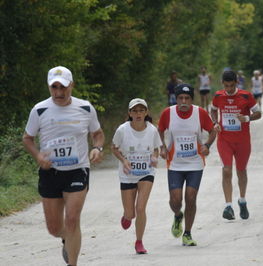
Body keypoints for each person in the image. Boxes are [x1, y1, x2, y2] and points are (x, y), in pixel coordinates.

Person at [22, 66, 105, 266]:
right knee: (54, 227)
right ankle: (66, 237)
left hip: (77, 169)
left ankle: (72, 263)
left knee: (72, 219)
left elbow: (98, 134)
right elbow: (27, 138)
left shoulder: (85, 108)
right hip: (50, 172)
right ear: (49, 87)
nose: (59, 92)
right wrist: (38, 156)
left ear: (72, 86)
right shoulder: (39, 109)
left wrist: (98, 149)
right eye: (54, 88)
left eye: (63, 87)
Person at [158, 84, 216, 246]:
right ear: (176, 99)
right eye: (180, 98)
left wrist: (207, 146)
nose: (184, 101)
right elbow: (160, 130)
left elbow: (212, 131)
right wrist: (162, 147)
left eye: (187, 98)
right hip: (175, 164)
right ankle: (178, 215)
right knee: (175, 201)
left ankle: (188, 233)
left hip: (195, 164)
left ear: (192, 99)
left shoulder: (200, 113)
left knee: (191, 198)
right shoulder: (168, 113)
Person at [111, 98, 162, 254]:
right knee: (130, 213)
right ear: (130, 113)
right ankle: (127, 216)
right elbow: (114, 148)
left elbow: (156, 149)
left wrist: (154, 158)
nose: (138, 114)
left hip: (146, 173)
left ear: (146, 112)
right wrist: (124, 160)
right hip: (127, 174)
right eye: (135, 111)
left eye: (141, 110)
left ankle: (139, 241)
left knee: (140, 208)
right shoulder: (122, 130)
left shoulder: (152, 130)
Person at [210, 70, 261, 220]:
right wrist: (215, 123)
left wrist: (246, 118)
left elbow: (258, 113)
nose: (229, 89)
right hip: (224, 140)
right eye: (226, 86)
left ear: (236, 83)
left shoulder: (246, 96)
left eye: (232, 86)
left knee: (241, 171)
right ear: (222, 84)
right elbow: (213, 110)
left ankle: (242, 201)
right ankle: (228, 206)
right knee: (226, 170)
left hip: (243, 141)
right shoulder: (219, 96)